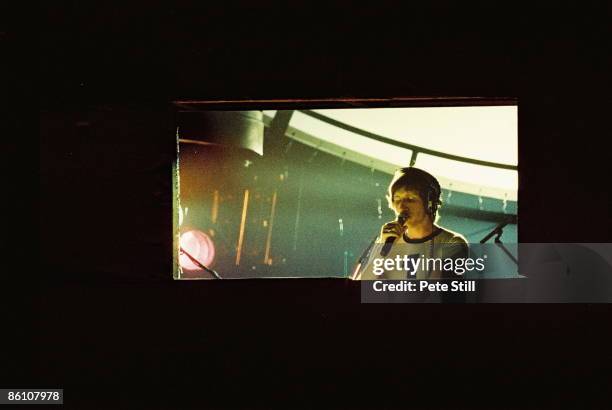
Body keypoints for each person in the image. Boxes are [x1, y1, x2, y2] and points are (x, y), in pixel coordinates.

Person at [354, 167, 469, 281]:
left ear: (429, 202)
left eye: (410, 199)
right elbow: (359, 290)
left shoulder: (451, 242)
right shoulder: (387, 242)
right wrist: (382, 250)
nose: (401, 206)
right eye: (397, 199)